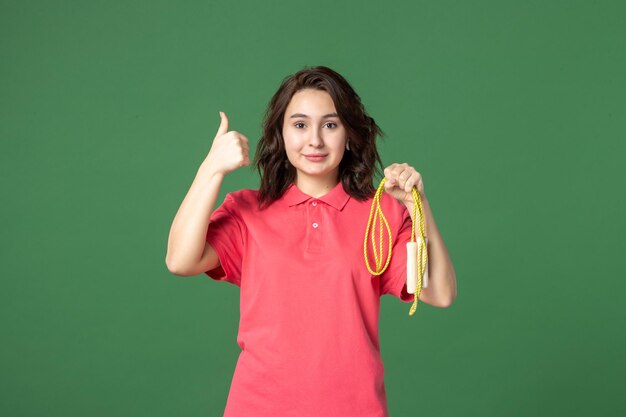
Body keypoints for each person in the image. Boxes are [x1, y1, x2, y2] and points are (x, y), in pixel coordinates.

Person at [165, 66, 457, 417]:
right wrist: (210, 169)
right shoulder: (247, 211)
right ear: (281, 133)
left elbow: (439, 293)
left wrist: (417, 204)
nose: (315, 140)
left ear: (349, 134)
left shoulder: (381, 214)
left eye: (330, 125)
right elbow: (179, 261)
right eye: (300, 125)